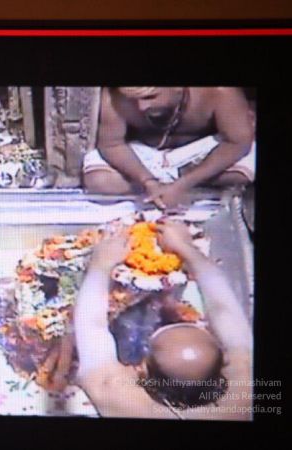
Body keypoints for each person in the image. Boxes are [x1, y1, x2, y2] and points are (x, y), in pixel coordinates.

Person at [74, 221, 253, 420]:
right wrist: (187, 248)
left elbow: (92, 326)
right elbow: (224, 310)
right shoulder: (245, 391)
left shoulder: (117, 397)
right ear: (224, 362)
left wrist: (100, 265)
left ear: (141, 371)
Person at [84, 87, 255, 209]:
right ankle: (159, 191)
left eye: (150, 97)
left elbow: (237, 141)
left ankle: (171, 188)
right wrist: (147, 181)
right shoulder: (114, 95)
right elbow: (112, 144)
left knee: (240, 174)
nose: (141, 107)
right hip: (144, 155)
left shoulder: (220, 91)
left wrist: (185, 183)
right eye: (133, 100)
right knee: (100, 182)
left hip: (196, 156)